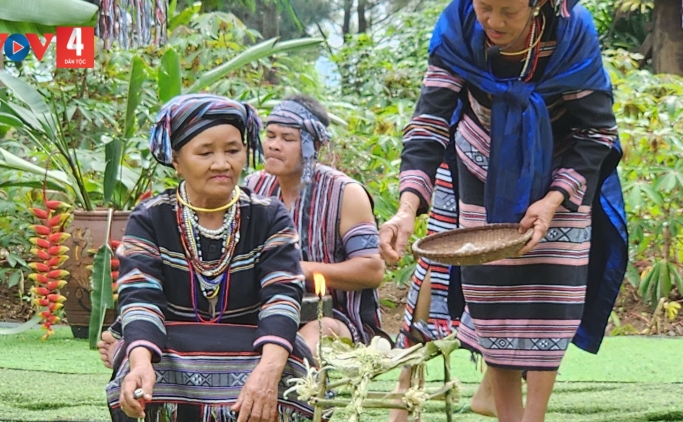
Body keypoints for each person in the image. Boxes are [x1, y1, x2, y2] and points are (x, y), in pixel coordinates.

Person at [379, 0, 628, 421]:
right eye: (485, 7)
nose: (493, 21)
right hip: (483, 163)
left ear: (537, 5)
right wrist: (406, 208)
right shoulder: (458, 25)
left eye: (508, 11)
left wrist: (553, 200)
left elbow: (597, 130)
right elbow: (430, 120)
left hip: (563, 165)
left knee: (553, 292)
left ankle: (535, 416)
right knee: (493, 292)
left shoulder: (571, 30)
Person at [105, 93, 319, 422]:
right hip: (172, 349)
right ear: (176, 159)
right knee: (137, 364)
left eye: (232, 151)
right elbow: (140, 297)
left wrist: (268, 370)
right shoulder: (150, 217)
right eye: (205, 153)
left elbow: (282, 294)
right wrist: (141, 362)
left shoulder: (269, 215)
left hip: (254, 347)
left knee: (294, 372)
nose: (222, 164)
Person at [245, 94, 387, 353]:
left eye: (288, 139)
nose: (275, 145)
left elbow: (372, 270)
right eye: (271, 135)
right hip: (266, 311)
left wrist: (301, 269)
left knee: (308, 341)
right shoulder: (253, 188)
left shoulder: (345, 193)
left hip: (335, 318)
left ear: (316, 145)